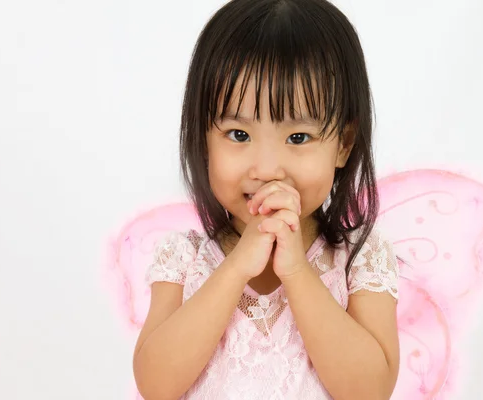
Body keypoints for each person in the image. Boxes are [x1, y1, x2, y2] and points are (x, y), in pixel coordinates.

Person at [133, 0, 400, 398]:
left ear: (343, 144)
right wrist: (238, 264)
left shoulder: (359, 258)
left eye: (298, 137)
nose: (267, 168)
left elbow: (368, 391)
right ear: (203, 138)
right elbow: (155, 385)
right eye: (239, 135)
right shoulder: (185, 258)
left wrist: (296, 271)